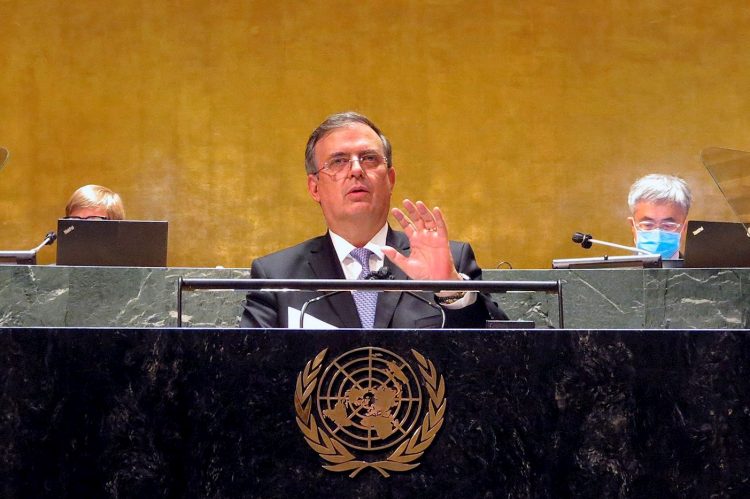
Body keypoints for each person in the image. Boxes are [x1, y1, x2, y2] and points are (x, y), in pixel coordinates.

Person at [240, 112, 506, 329]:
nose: (356, 170)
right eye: (338, 161)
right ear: (315, 188)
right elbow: (249, 370)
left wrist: (449, 289)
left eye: (368, 159)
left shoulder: (449, 259)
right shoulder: (277, 275)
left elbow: (501, 355)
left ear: (390, 180)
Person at [627, 174, 692, 259]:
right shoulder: (612, 272)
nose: (657, 234)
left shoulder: (705, 272)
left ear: (684, 228)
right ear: (633, 226)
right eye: (648, 224)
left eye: (668, 225)